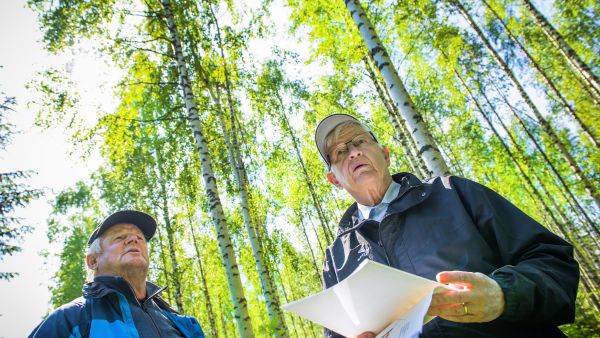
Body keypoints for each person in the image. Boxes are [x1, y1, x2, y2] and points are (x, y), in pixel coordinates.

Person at [314, 114, 579, 338]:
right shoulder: (336, 258)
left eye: (360, 141)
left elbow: (552, 260)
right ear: (334, 180)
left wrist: (503, 295)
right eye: (340, 152)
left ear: (385, 154)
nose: (354, 152)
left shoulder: (453, 192)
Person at [29, 210, 205, 338]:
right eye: (120, 237)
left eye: (140, 237)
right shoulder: (70, 319)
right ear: (93, 261)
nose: (133, 239)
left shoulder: (182, 323)